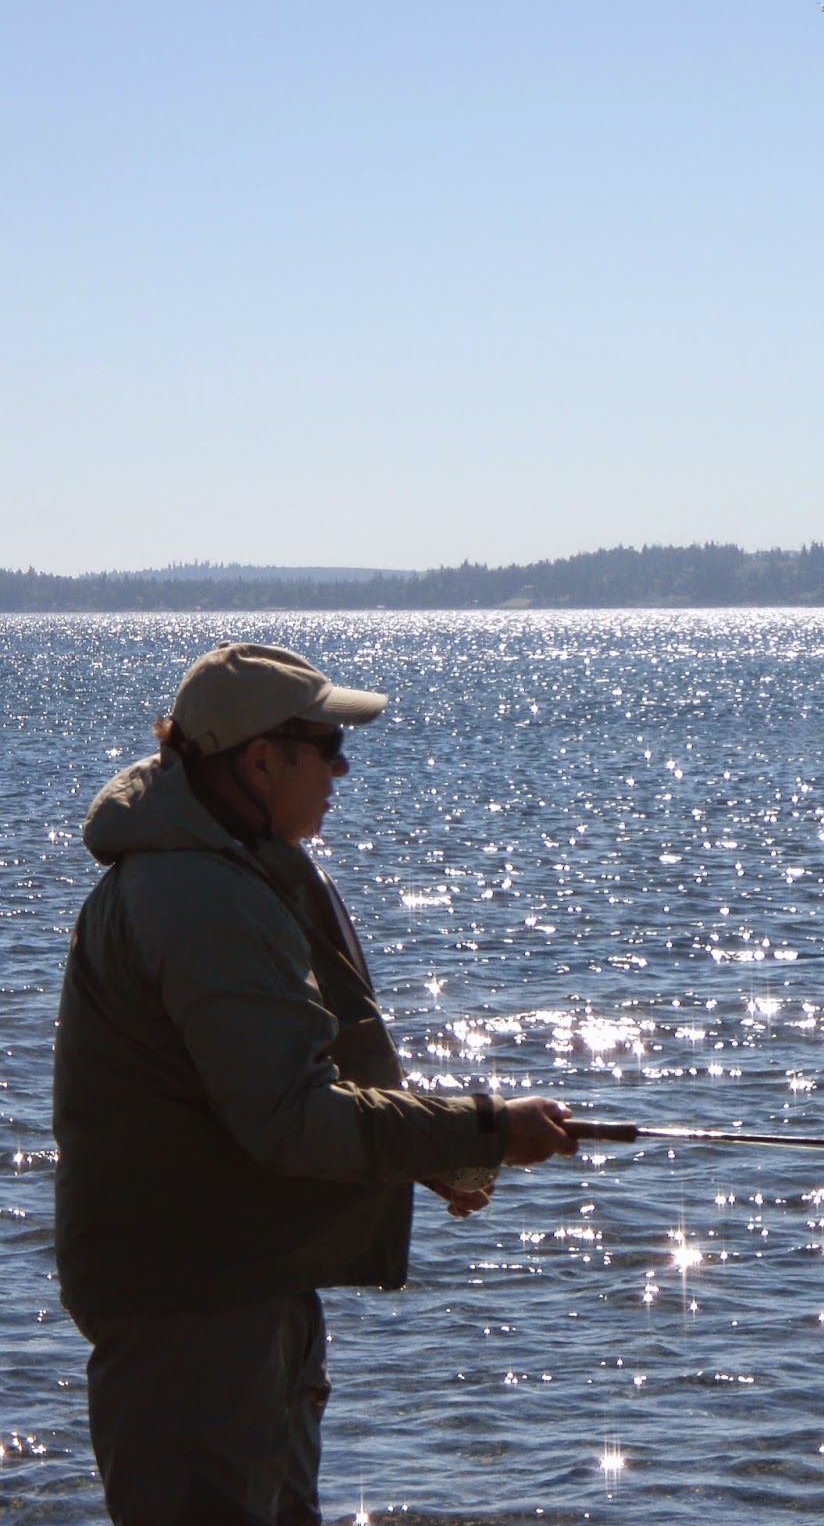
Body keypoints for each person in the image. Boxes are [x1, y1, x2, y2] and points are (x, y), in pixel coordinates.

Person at [53, 641, 577, 1526]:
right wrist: (482, 1131)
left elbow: (264, 1095)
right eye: (326, 746)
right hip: (194, 1313)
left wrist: (432, 1156)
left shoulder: (226, 867)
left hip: (238, 1289)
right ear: (261, 760)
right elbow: (290, 1118)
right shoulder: (199, 897)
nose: (341, 767)